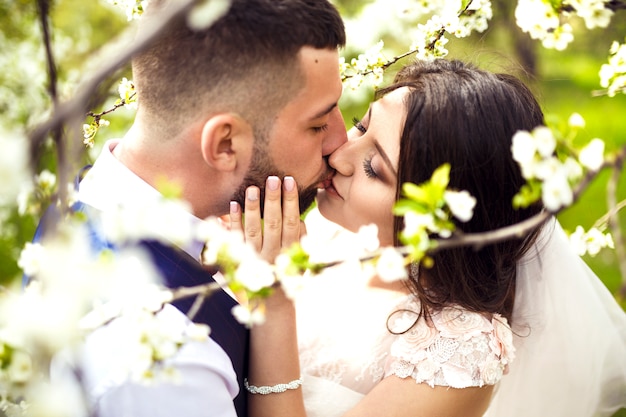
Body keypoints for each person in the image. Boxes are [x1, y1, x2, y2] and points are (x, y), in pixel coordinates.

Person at [234, 59, 626, 417]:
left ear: (441, 217)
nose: (339, 155)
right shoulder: (330, 237)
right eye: (362, 124)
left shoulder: (460, 349)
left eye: (374, 167)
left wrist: (276, 303)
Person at [33, 1, 346, 416]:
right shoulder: (164, 357)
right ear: (225, 144)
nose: (339, 142)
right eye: (317, 125)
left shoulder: (89, 191)